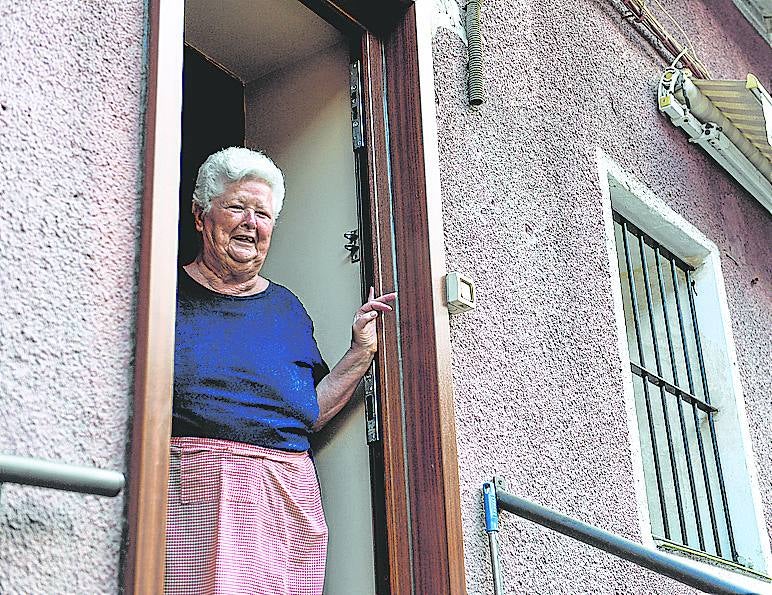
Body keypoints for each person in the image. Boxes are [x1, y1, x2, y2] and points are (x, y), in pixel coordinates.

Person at [165, 147, 396, 595]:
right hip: (189, 495)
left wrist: (360, 352)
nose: (251, 223)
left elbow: (310, 410)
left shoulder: (286, 309)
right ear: (200, 216)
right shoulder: (164, 293)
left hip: (284, 506)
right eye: (236, 207)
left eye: (263, 214)